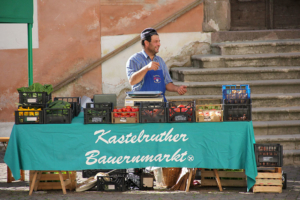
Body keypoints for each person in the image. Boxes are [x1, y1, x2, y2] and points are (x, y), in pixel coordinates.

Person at [126, 28, 187, 102]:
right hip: (142, 106)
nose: (159, 44)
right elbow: (132, 81)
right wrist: (146, 68)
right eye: (156, 41)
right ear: (146, 43)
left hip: (160, 105)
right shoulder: (134, 60)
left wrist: (177, 89)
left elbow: (167, 83)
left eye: (159, 41)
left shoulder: (160, 61)